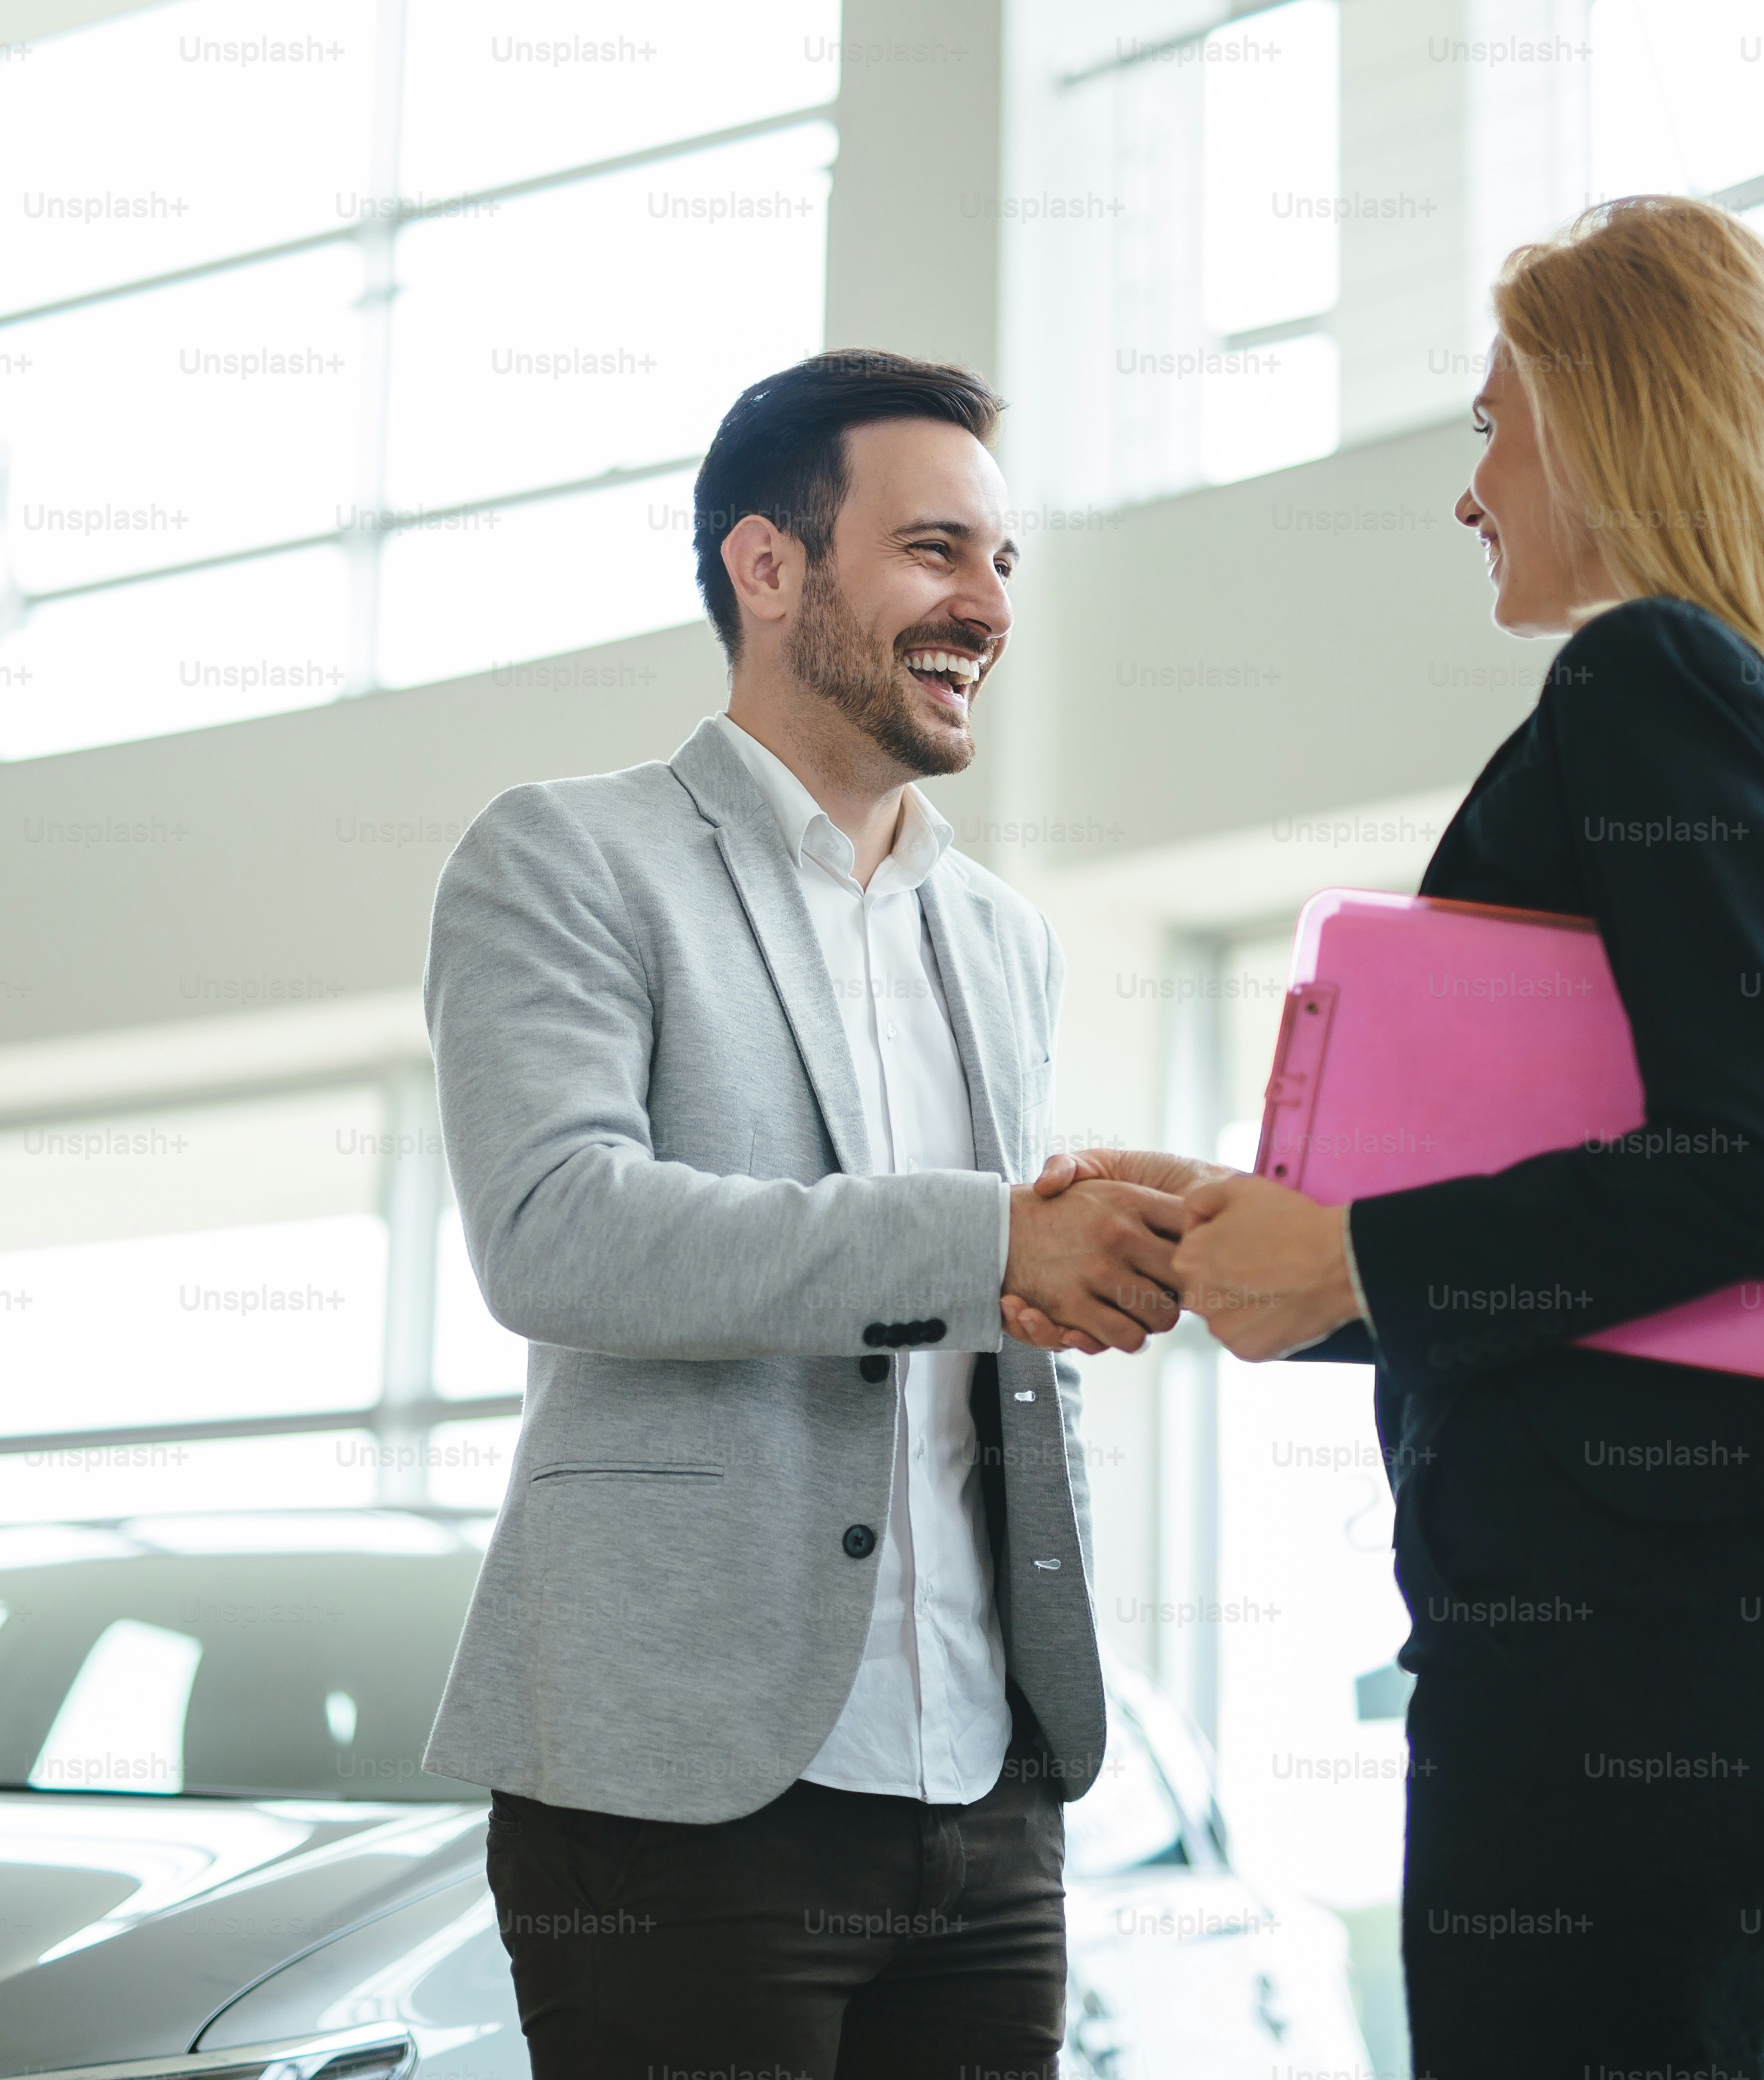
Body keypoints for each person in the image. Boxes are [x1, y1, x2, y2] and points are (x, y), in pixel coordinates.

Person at [1008, 197, 1764, 2075]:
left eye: (1489, 420)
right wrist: (1273, 1238)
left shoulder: (1647, 678)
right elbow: (1646, 1226)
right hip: (1681, 1642)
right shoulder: (1739, 702)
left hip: (1621, 1656)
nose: (1471, 489)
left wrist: (1359, 1255)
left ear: (1614, 417)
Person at [420, 348, 1182, 2079]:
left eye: (1003, 564)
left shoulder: (1002, 935)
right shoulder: (566, 857)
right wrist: (991, 1240)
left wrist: (1103, 1259)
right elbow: (561, 1229)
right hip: (678, 1795)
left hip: (988, 1788)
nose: (986, 604)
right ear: (769, 568)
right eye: (935, 550)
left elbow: (977, 1302)